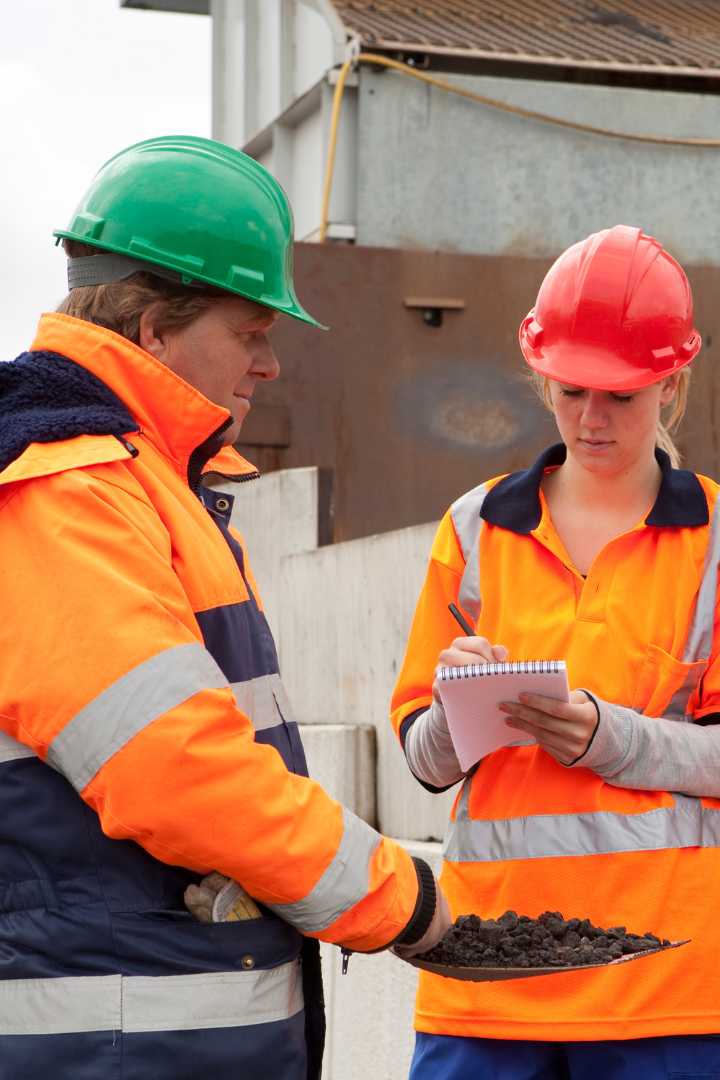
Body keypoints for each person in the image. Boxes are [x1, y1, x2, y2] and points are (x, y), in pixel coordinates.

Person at [0, 135, 450, 1080]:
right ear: (156, 328)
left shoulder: (136, 482)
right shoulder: (68, 488)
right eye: (250, 334)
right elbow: (174, 763)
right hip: (119, 1038)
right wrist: (392, 897)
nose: (269, 366)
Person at [391, 224, 720, 1079]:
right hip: (487, 973)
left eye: (623, 395)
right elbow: (422, 763)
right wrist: (458, 711)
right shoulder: (474, 529)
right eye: (572, 391)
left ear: (671, 384)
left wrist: (605, 737)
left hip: (664, 983)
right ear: (542, 376)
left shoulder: (715, 542)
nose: (592, 417)